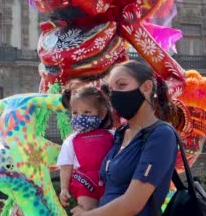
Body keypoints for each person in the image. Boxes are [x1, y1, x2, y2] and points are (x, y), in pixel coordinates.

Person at [71, 60, 178, 216]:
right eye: (111, 90)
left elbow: (133, 203)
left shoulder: (161, 134)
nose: (115, 95)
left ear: (146, 87)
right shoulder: (120, 133)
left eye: (121, 85)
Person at [57, 86, 114, 211]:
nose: (80, 118)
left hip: (110, 180)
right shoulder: (70, 140)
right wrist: (64, 188)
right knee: (87, 209)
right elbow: (66, 166)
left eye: (87, 112)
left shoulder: (112, 135)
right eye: (75, 113)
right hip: (84, 182)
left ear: (102, 113)